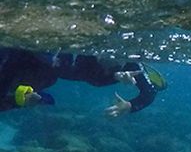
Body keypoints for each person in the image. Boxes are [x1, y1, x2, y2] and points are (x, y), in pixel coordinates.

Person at [0, 47, 166, 116]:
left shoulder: (132, 66)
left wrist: (129, 106)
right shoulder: (74, 54)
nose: (111, 58)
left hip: (44, 68)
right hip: (37, 64)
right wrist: (18, 100)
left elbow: (149, 93)